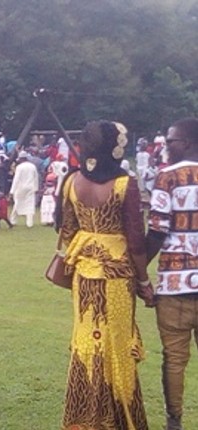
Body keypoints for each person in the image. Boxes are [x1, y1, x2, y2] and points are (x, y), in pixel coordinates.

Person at [56, 121, 153, 430]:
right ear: (114, 147)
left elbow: (67, 230)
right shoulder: (125, 184)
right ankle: (119, 419)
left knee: (86, 343)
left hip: (83, 275)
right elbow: (136, 242)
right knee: (117, 345)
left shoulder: (71, 182)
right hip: (117, 278)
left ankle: (84, 418)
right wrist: (144, 282)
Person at [145, 117, 198, 430]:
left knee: (175, 359)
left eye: (171, 141)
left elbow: (156, 232)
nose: (165, 146)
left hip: (175, 284)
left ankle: (174, 422)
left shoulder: (168, 176)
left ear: (187, 143)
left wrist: (138, 273)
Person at [9, 151, 39, 228]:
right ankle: (29, 223)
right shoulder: (33, 166)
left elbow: (16, 179)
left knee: (17, 203)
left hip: (21, 187)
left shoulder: (19, 167)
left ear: (22, 159)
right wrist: (36, 188)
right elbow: (36, 178)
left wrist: (12, 191)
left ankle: (13, 220)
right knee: (30, 204)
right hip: (31, 187)